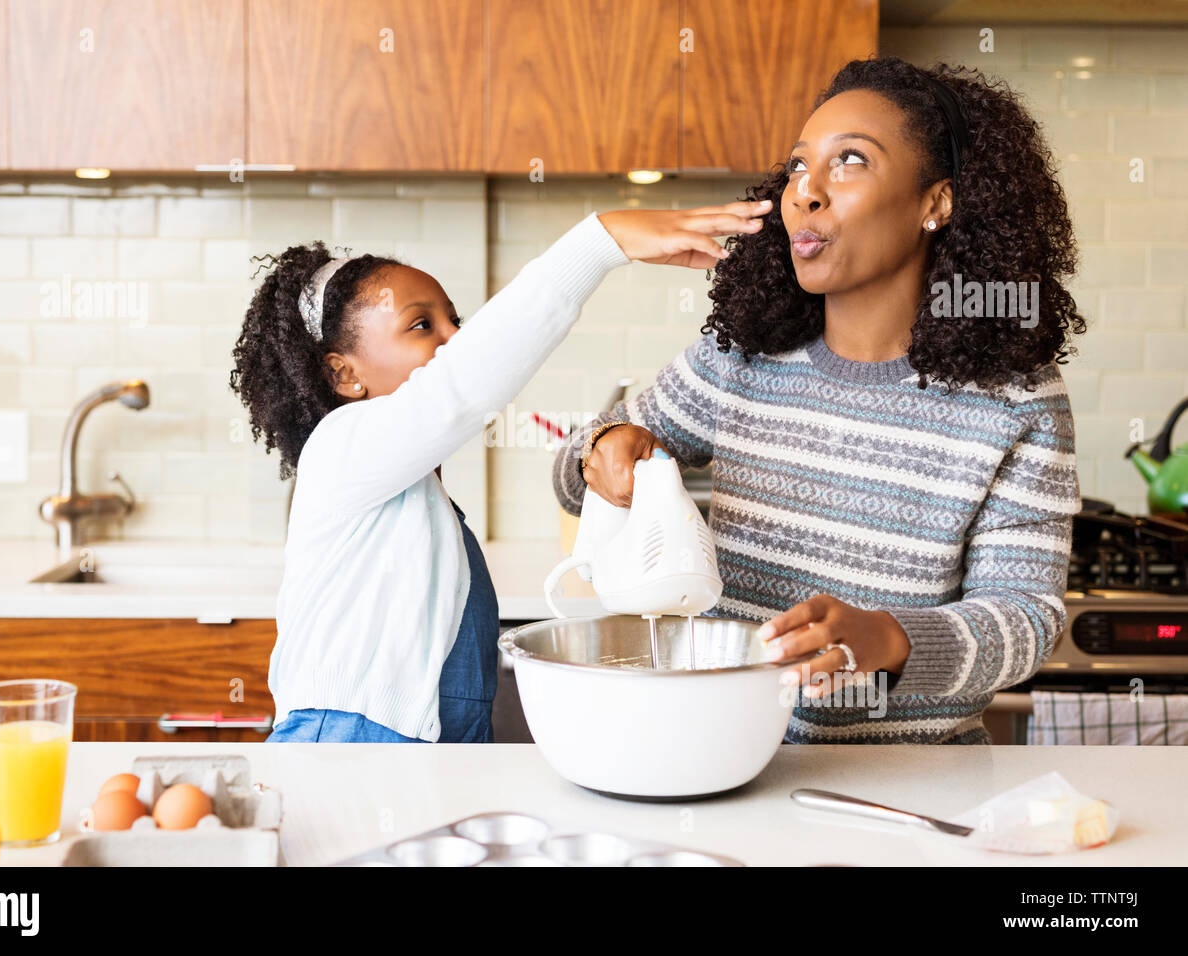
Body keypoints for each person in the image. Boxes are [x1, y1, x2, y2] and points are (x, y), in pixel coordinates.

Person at [554, 56, 1086, 744]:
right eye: (799, 166)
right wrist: (603, 451)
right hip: (729, 765)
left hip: (912, 795)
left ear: (937, 203)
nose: (806, 191)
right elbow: (575, 475)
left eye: (850, 161)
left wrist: (888, 639)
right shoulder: (740, 357)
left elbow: (1026, 619)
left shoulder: (1017, 401)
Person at [231, 201, 771, 742]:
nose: (455, 339)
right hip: (348, 749)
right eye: (421, 325)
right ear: (344, 374)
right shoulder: (337, 449)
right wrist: (599, 243)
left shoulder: (423, 505)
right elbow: (462, 383)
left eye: (455, 322)